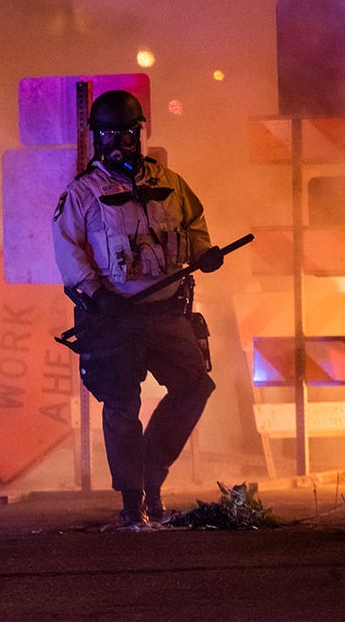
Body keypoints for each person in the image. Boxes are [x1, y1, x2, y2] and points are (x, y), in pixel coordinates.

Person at [51, 90, 223, 528]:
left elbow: (194, 223)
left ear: (140, 134)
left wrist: (204, 252)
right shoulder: (82, 194)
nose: (120, 143)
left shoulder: (171, 182)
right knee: (122, 405)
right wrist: (95, 292)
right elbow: (67, 250)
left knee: (194, 386)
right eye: (110, 134)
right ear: (96, 138)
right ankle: (133, 499)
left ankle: (151, 476)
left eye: (129, 134)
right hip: (115, 316)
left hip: (167, 314)